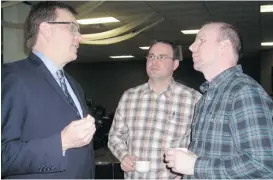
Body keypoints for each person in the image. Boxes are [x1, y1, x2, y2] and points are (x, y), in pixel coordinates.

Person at [164, 22, 273, 179]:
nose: (191, 47)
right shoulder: (206, 98)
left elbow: (263, 165)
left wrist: (195, 165)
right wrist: (189, 160)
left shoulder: (243, 91)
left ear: (223, 47)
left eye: (201, 40)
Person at [1, 2, 96, 179]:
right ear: (46, 29)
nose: (79, 37)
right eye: (73, 27)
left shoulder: (74, 84)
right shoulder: (11, 78)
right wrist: (61, 143)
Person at [108, 40, 202, 179]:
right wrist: (124, 156)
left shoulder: (193, 99)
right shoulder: (129, 96)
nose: (154, 61)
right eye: (151, 56)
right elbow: (115, 136)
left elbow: (201, 144)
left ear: (175, 64)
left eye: (162, 57)